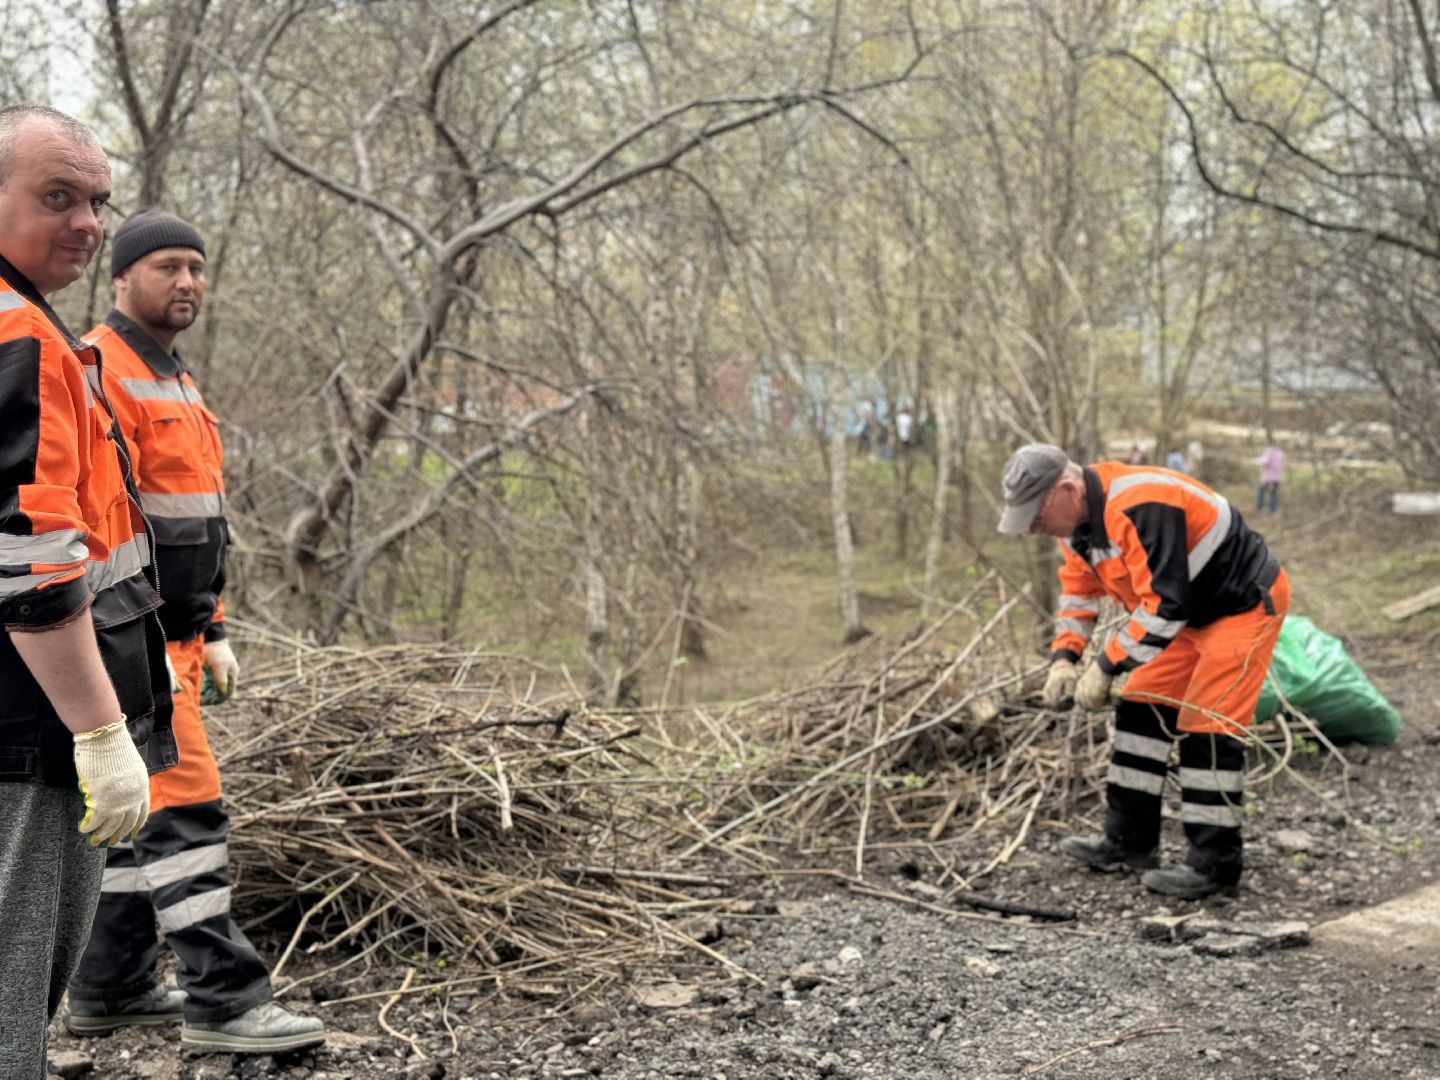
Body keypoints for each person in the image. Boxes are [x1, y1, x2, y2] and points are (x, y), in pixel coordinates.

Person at [64, 211, 325, 1053]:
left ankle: (109, 987)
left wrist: (211, 626)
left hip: (173, 639)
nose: (186, 282)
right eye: (168, 267)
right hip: (129, 642)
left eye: (197, 269)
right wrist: (132, 643)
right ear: (121, 278)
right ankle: (227, 1002)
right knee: (186, 815)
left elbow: (191, 521)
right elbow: (99, 522)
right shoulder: (101, 369)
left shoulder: (173, 377)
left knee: (143, 823)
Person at [0, 104, 175, 1078]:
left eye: (97, 202)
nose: (86, 223)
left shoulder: (31, 321)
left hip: (34, 714)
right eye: (56, 197)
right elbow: (30, 560)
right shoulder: (17, 330)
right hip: (30, 726)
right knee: (12, 993)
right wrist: (101, 734)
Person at [998, 443, 1289, 899]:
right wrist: (1064, 660)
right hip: (1185, 618)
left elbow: (1165, 607)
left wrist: (1106, 665)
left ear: (1068, 490)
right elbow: (1077, 596)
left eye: (1036, 514)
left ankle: (1215, 866)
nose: (1033, 526)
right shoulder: (1077, 530)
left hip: (1240, 606)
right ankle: (1129, 841)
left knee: (1206, 726)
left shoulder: (1142, 503)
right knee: (1140, 709)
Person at [1256, 444, 1286, 513]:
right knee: (1274, 493)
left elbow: (1264, 462)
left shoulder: (1269, 452)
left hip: (1267, 477)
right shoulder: (1281, 453)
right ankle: (1273, 509)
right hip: (1276, 478)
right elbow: (1282, 465)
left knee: (1261, 492)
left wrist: (1258, 460)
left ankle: (1259, 507)